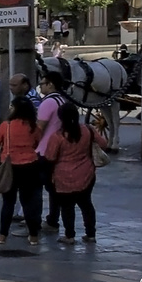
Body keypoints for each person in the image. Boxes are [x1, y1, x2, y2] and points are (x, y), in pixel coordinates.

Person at [43, 98, 106, 243]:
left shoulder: (57, 137)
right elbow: (103, 143)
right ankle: (91, 234)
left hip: (63, 176)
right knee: (86, 204)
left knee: (67, 207)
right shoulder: (88, 130)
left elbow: (50, 156)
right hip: (86, 173)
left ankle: (69, 235)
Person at [0, 95, 45, 245]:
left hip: (9, 165)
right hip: (30, 165)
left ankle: (2, 235)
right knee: (28, 202)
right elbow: (38, 142)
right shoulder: (34, 127)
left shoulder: (6, 125)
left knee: (8, 202)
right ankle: (33, 235)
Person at [35, 70, 70, 235]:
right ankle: (53, 218)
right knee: (53, 188)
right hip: (58, 149)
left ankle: (37, 219)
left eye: (42, 83)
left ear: (50, 84)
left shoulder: (48, 102)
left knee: (37, 187)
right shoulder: (62, 100)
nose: (40, 86)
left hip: (44, 149)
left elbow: (39, 127)